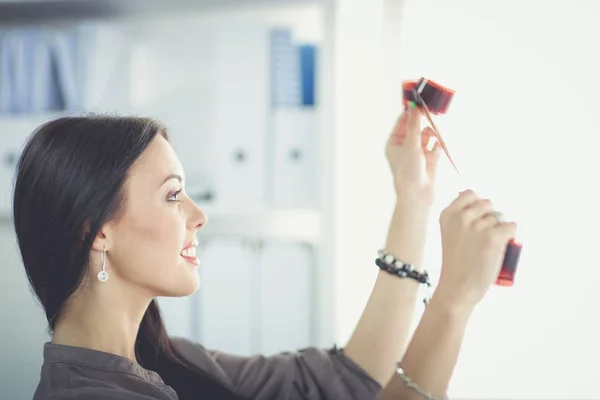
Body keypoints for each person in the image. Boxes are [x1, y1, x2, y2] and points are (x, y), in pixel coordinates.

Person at [12, 106, 516, 400]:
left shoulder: (167, 360)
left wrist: (413, 198)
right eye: (172, 195)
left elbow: (345, 379)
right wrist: (452, 304)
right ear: (97, 231)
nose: (198, 214)